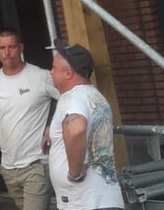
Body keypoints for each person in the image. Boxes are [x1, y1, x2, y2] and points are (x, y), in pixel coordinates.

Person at [0, 27, 58, 210]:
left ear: (21, 47)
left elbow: (69, 98)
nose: (7, 53)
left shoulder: (41, 77)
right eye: (2, 48)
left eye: (11, 47)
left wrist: (52, 125)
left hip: (36, 164)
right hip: (8, 168)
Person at [49, 39, 124, 210]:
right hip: (105, 198)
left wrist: (74, 174)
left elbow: (76, 129)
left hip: (83, 201)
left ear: (68, 73)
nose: (50, 72)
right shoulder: (94, 96)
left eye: (54, 68)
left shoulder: (72, 98)